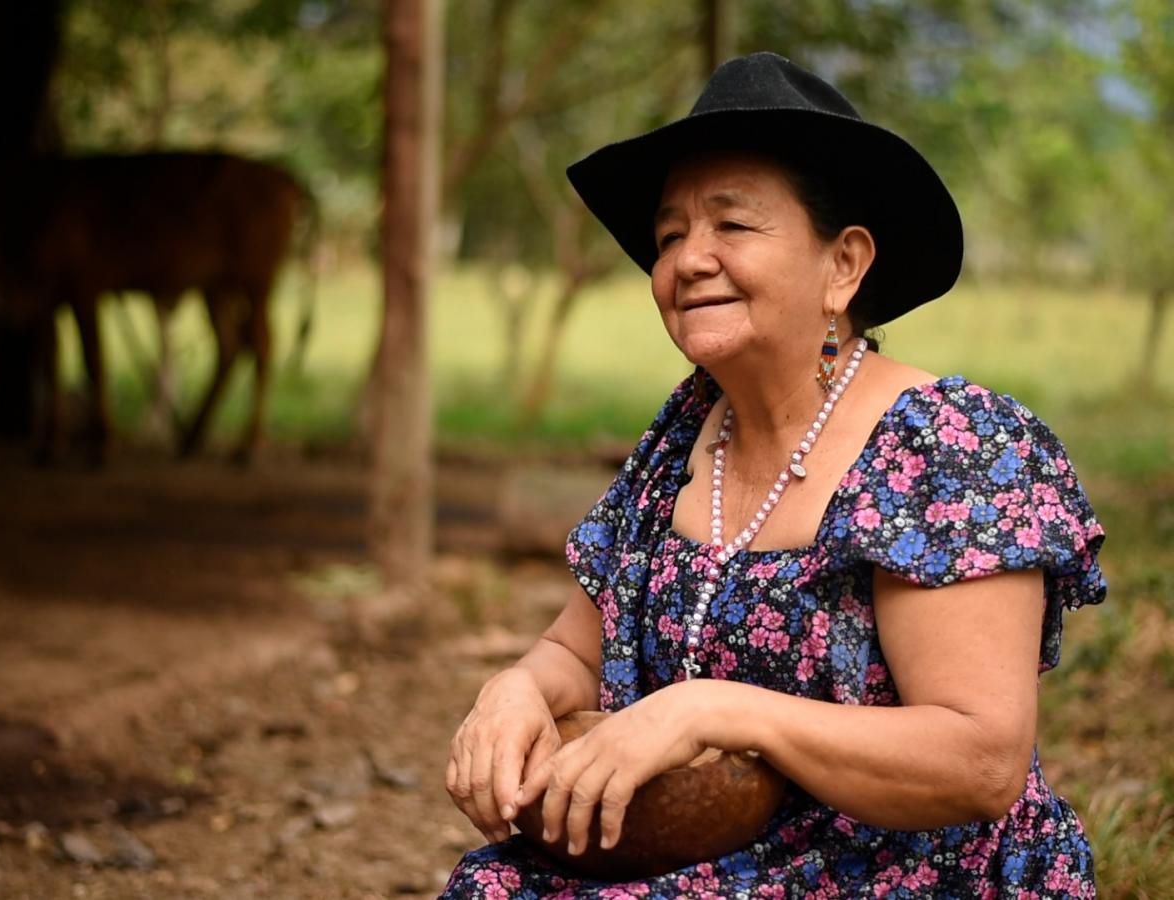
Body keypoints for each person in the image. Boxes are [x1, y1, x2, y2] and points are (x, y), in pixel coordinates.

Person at [441, 52, 1105, 898]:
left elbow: (979, 761)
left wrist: (715, 708)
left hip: (895, 869)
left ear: (844, 266)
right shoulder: (686, 432)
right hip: (702, 851)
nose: (688, 260)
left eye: (733, 226)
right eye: (670, 235)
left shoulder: (950, 447)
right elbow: (578, 647)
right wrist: (516, 688)